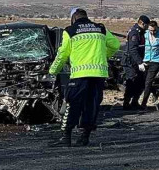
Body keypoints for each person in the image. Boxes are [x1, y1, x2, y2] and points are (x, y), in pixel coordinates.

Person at [49, 8, 120, 147]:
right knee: (91, 106)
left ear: (73, 18)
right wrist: (104, 56)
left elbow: (63, 54)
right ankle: (84, 137)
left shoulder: (70, 31)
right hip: (98, 75)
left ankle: (66, 137)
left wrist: (53, 70)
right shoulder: (100, 29)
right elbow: (115, 45)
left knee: (72, 104)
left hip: (79, 76)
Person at [122, 15, 150, 110]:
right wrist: (139, 62)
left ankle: (135, 101)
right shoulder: (135, 33)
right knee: (132, 81)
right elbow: (133, 49)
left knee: (140, 82)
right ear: (142, 23)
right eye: (146, 25)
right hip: (130, 62)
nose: (147, 27)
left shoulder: (141, 32)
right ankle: (126, 102)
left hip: (138, 61)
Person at [139, 21, 159, 109]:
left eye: (154, 30)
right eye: (151, 30)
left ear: (157, 28)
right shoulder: (144, 35)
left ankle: (144, 103)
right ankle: (154, 91)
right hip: (145, 60)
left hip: (156, 61)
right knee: (144, 81)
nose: (152, 32)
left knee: (148, 81)